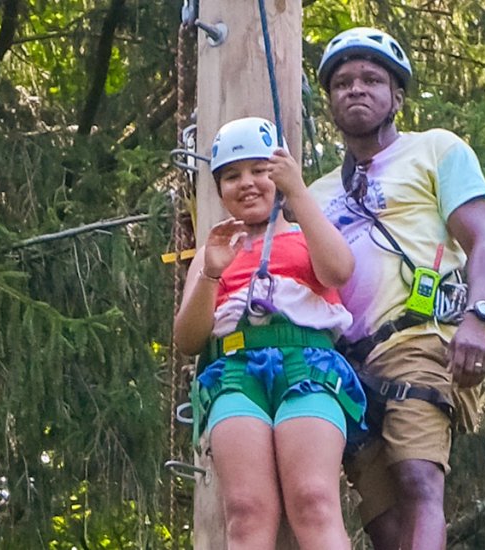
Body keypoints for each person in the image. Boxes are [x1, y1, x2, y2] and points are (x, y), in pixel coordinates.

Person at [310, 27, 485, 550]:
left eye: (372, 79)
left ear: (397, 96)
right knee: (384, 524)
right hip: (343, 362)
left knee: (420, 481)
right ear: (329, 99)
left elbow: (484, 239)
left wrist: (477, 318)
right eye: (343, 82)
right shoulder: (312, 194)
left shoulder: (436, 150)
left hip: (419, 341)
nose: (356, 89)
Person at [173, 117, 367, 550]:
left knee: (314, 499)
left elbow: (338, 270)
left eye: (260, 170)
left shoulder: (305, 235)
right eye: (231, 176)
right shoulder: (214, 250)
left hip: (309, 365)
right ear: (219, 189)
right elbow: (188, 339)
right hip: (236, 372)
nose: (247, 183)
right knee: (244, 510)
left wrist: (297, 191)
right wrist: (211, 272)